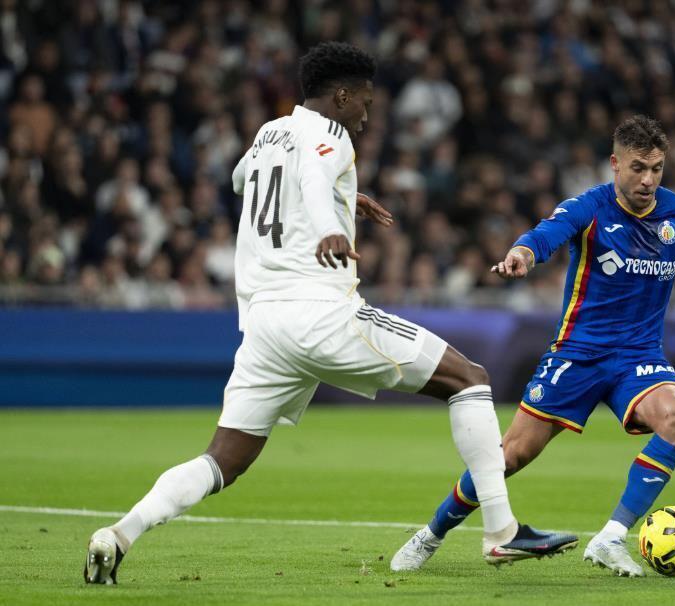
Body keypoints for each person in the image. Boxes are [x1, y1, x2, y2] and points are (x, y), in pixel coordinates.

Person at [84, 42, 577, 585]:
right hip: (319, 312)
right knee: (471, 379)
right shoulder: (331, 135)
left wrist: (347, 198)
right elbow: (315, 181)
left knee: (223, 459)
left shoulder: (268, 132)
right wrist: (328, 225)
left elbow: (241, 180)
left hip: (264, 327)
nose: (366, 116)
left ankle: (119, 534)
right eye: (364, 102)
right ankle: (501, 530)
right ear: (341, 96)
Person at [391, 115, 675, 576]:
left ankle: (611, 537)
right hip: (577, 355)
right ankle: (431, 534)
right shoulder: (590, 207)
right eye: (638, 168)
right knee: (510, 456)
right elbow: (545, 235)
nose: (648, 180)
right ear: (615, 164)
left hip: (639, 358)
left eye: (657, 169)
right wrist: (522, 253)